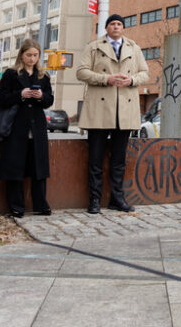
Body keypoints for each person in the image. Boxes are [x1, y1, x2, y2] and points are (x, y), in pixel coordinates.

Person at [76, 14, 150, 214]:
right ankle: (94, 199)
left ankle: (117, 199)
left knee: (119, 160)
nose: (116, 26)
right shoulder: (93, 47)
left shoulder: (134, 48)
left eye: (119, 24)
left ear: (123, 28)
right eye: (112, 24)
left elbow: (145, 73)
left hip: (124, 109)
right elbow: (81, 72)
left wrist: (132, 80)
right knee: (95, 159)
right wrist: (106, 79)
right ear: (106, 28)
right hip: (99, 109)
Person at [0, 39, 54, 218]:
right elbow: (2, 99)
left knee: (39, 168)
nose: (32, 59)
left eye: (35, 55)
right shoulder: (11, 74)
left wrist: (41, 96)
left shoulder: (43, 76)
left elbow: (49, 100)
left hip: (37, 127)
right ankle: (16, 206)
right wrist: (20, 95)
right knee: (15, 167)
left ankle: (41, 204)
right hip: (16, 126)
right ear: (21, 55)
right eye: (29, 55)